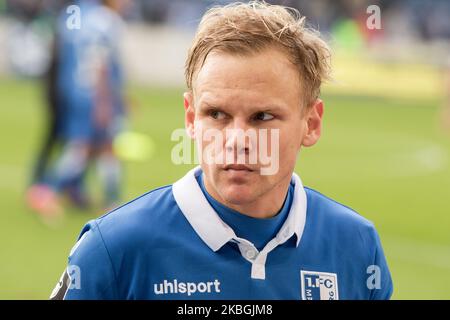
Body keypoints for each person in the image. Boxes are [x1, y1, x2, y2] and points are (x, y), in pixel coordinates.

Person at [51, 1, 393, 300]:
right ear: (190, 117)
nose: (236, 140)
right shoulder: (113, 249)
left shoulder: (358, 247)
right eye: (216, 114)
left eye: (262, 117)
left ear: (312, 123)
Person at [44, 0, 129, 216]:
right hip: (97, 94)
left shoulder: (74, 15)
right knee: (94, 147)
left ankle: (69, 193)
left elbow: (65, 56)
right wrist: (107, 101)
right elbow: (103, 64)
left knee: (88, 146)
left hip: (75, 90)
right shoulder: (108, 21)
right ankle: (51, 191)